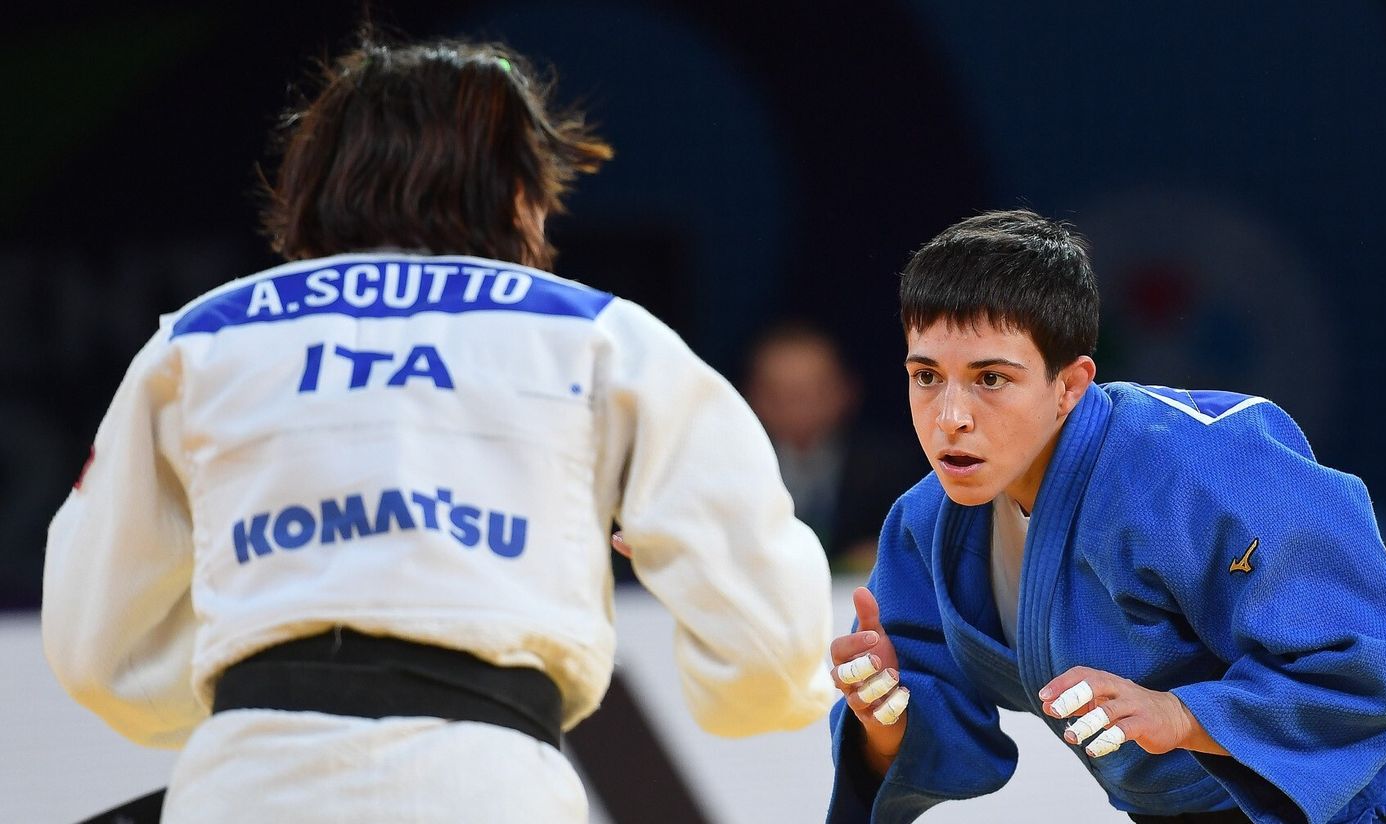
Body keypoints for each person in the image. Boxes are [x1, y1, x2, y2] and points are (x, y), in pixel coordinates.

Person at [41, 36, 835, 824]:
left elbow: (94, 646)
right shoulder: (600, 338)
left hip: (246, 784)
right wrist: (756, 697)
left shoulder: (201, 340)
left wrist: (261, 688)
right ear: (519, 190)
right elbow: (770, 640)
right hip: (486, 785)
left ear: (311, 181)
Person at [825, 210, 1386, 823]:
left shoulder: (1197, 463)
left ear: (1071, 385)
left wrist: (1181, 716)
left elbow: (1364, 665)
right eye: (927, 376)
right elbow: (930, 716)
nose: (950, 416)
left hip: (1350, 809)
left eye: (991, 379)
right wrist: (885, 725)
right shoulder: (927, 525)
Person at [743, 322, 926, 572]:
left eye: (810, 392)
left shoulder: (891, 466)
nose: (796, 407)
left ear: (846, 390)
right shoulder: (730, 468)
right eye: (779, 394)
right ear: (751, 396)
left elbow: (916, 543)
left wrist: (889, 552)